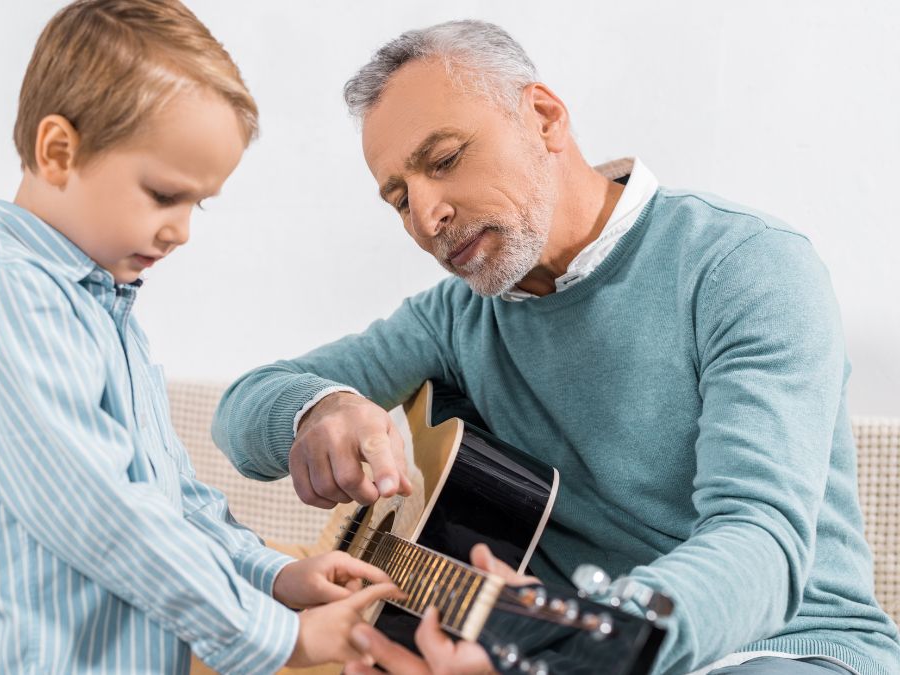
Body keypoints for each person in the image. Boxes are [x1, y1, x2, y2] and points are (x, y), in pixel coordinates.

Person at [212, 19, 900, 675]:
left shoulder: (743, 265)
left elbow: (759, 540)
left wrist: (584, 642)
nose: (426, 217)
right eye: (398, 198)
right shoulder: (457, 316)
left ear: (543, 117)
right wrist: (319, 408)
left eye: (445, 159)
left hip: (788, 647)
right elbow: (242, 414)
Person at [0, 1, 399, 672]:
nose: (182, 230)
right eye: (165, 195)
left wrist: (269, 575)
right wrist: (279, 637)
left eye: (199, 203)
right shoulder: (6, 301)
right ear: (58, 151)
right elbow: (104, 512)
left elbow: (169, 500)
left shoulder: (102, 310)